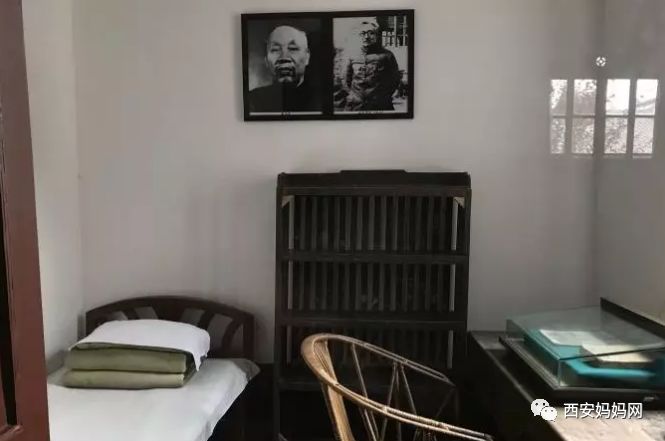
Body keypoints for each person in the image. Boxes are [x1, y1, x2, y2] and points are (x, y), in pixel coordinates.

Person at [249, 25, 321, 113]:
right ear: (266, 60)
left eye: (293, 49)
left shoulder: (322, 99)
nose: (284, 57)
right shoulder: (252, 100)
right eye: (275, 50)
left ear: (307, 57)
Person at [335, 18, 402, 111]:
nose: (366, 37)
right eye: (362, 34)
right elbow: (346, 80)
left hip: (379, 105)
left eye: (371, 33)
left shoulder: (387, 55)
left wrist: (383, 96)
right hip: (356, 105)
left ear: (376, 35)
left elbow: (395, 80)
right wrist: (356, 95)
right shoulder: (352, 55)